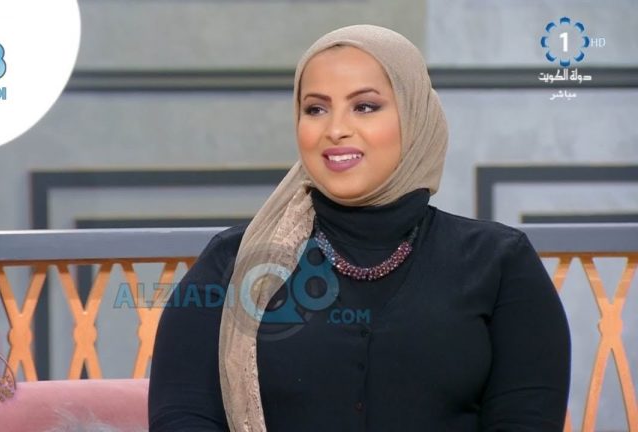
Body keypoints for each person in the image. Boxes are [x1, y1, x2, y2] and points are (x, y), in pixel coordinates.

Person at [148, 24, 571, 431]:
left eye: (365, 106)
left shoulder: (499, 263)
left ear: (415, 117)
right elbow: (183, 416)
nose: (335, 130)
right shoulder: (236, 262)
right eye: (315, 109)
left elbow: (525, 419)